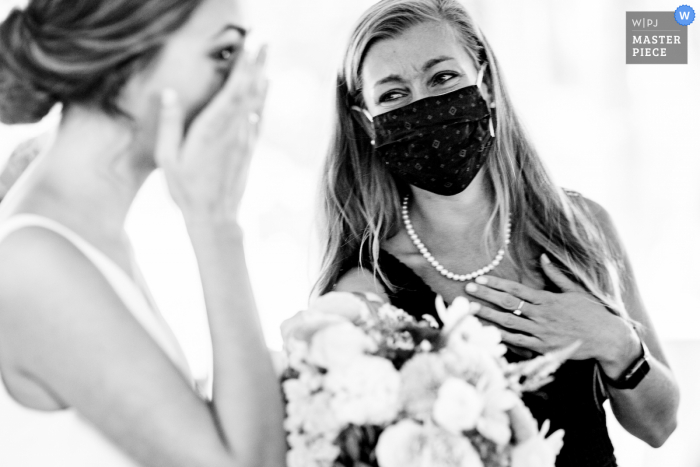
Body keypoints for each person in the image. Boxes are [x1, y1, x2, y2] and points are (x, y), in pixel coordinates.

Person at [317, 0, 679, 465]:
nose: (424, 104)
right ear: (366, 121)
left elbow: (659, 425)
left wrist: (616, 343)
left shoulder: (583, 227)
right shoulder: (365, 291)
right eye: (393, 95)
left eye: (443, 77)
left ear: (484, 83)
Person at [0, 1, 285, 466]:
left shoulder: (90, 235)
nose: (244, 86)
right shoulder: (36, 262)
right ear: (127, 57)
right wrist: (215, 221)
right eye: (224, 54)